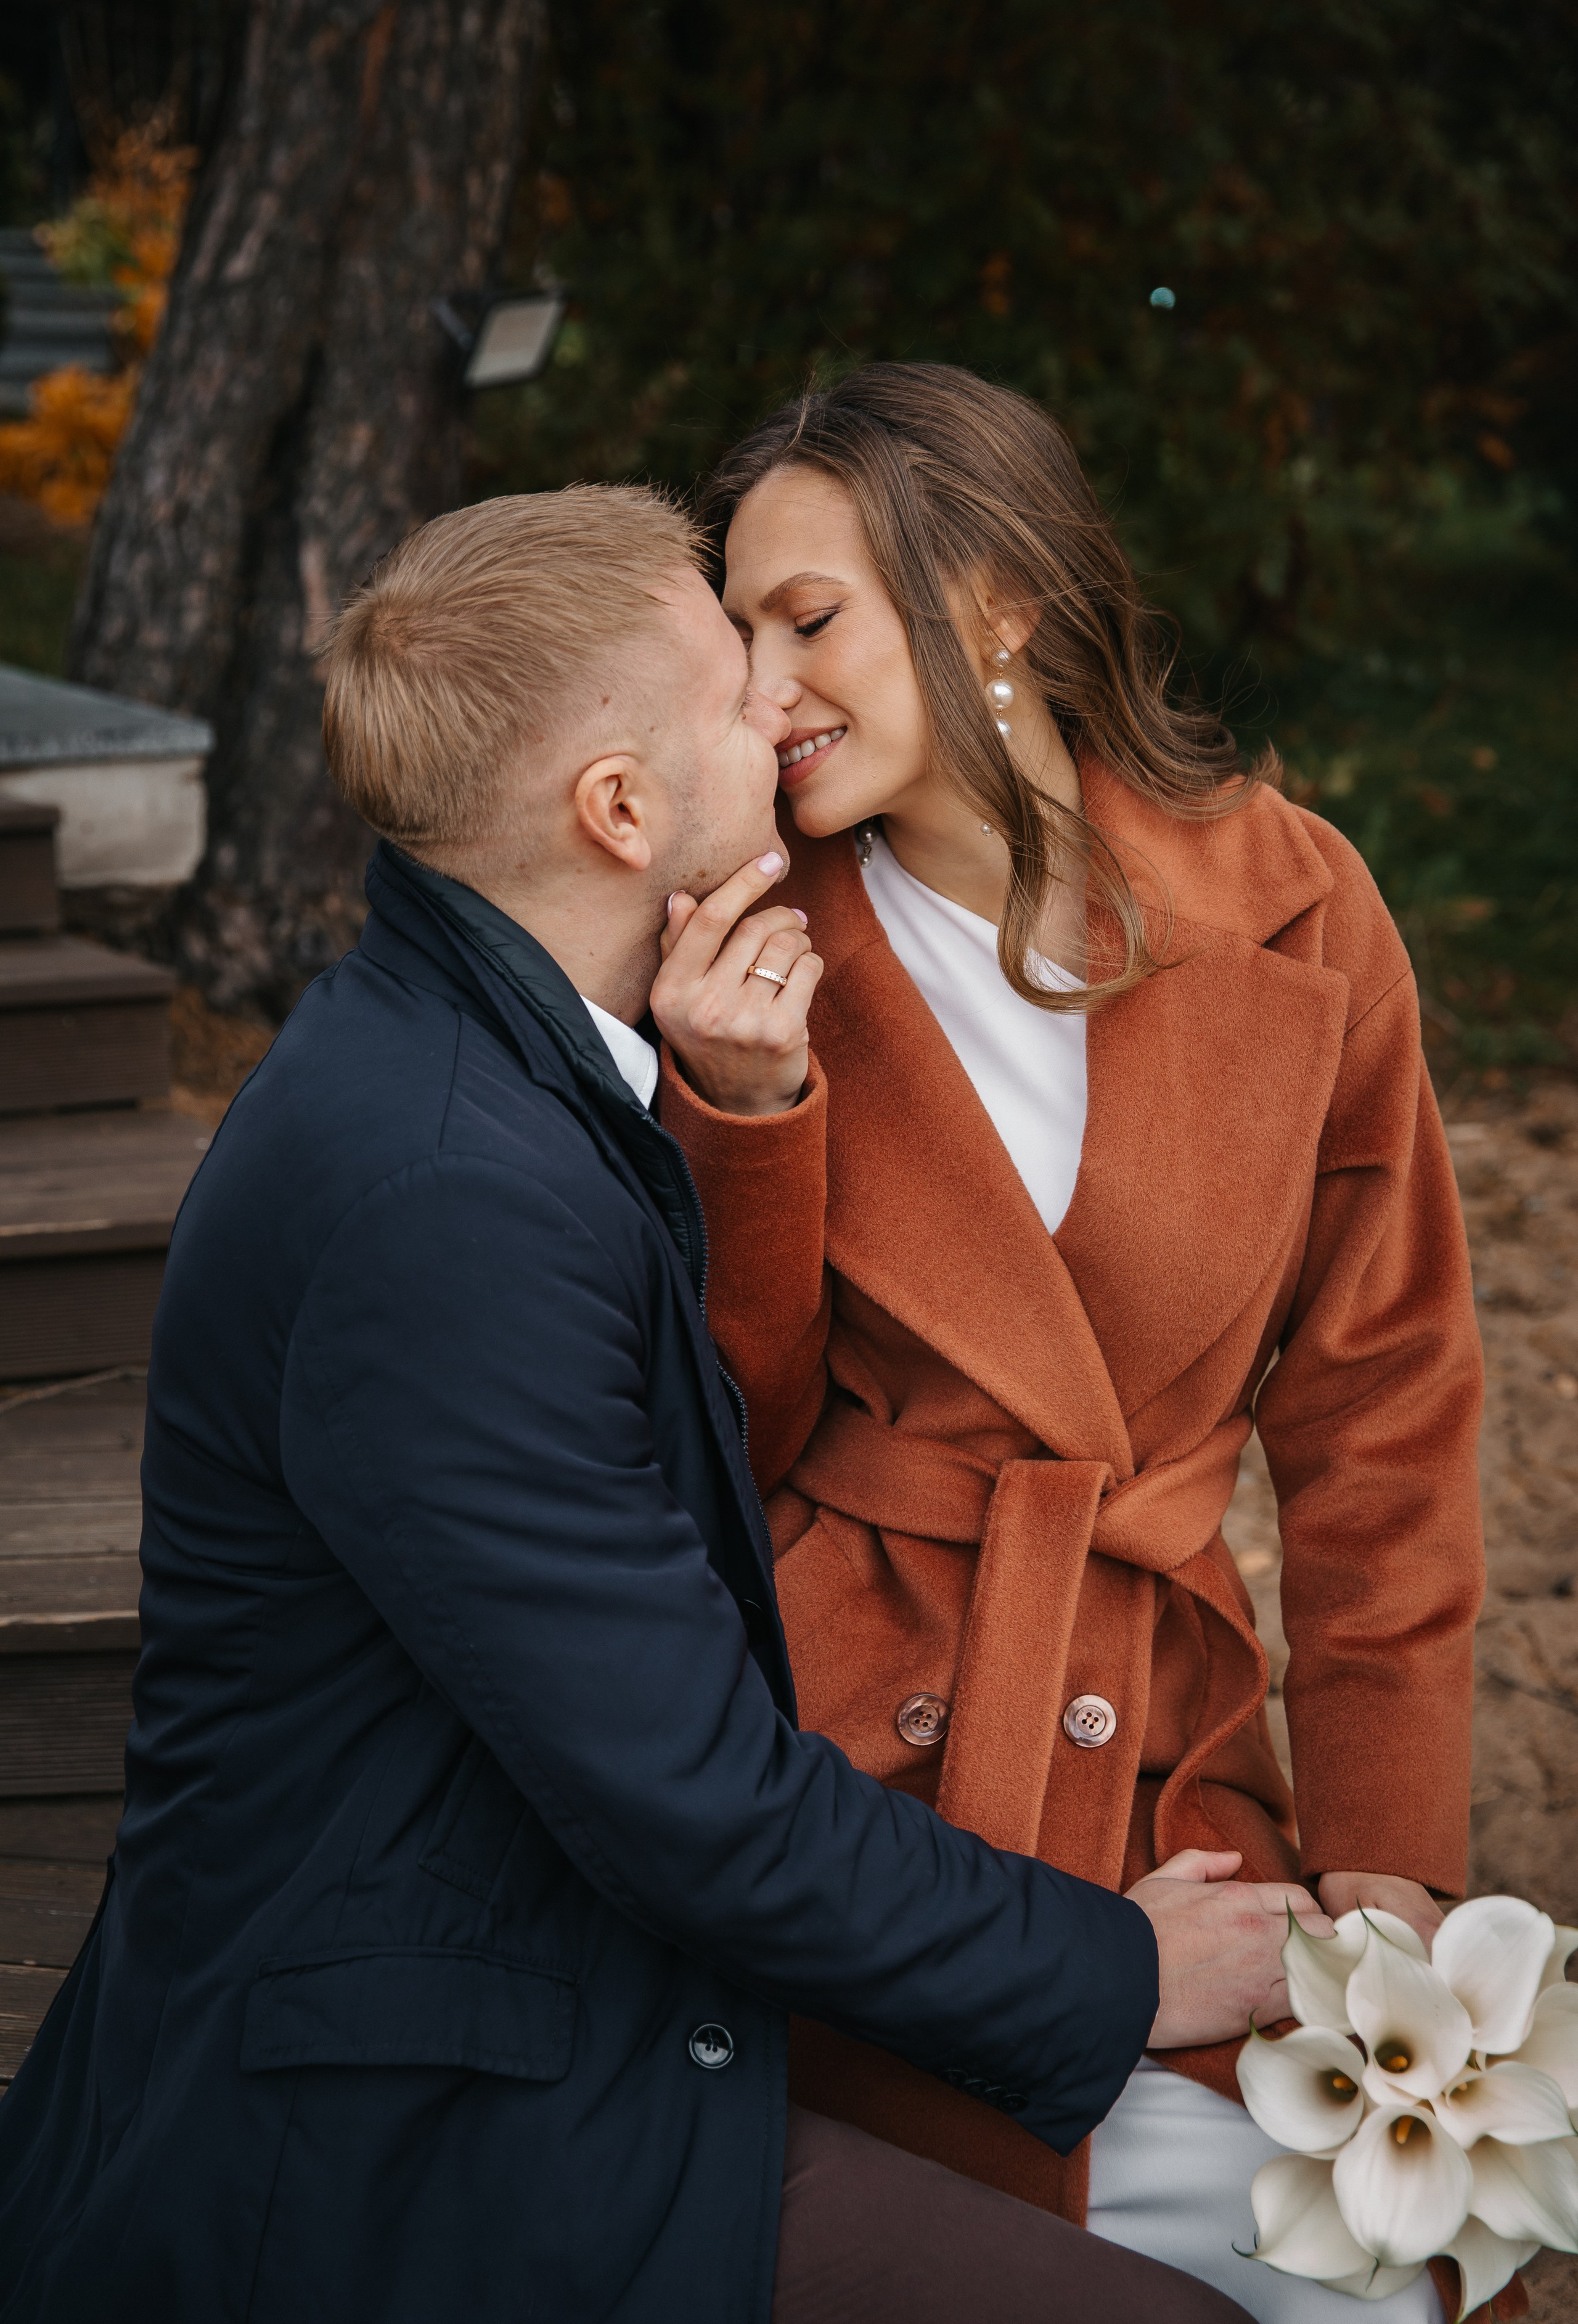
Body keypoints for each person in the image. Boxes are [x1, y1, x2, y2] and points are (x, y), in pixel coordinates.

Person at [0, 487, 1297, 2324]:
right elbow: (688, 1791)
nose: (782, 706)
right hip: (417, 2120)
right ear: (619, 812)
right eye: (726, 684)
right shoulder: (444, 1194)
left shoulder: (486, 1062)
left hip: (504, 1980)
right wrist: (1111, 1972)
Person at [652, 367, 1486, 2324]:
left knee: (1370, 2275)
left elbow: (1385, 1416)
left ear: (1001, 599)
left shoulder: (1301, 910)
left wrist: (1389, 1859)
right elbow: (719, 1433)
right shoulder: (745, 943)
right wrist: (742, 1123)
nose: (763, 692)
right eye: (739, 631)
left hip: (1172, 1731)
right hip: (860, 1763)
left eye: (812, 619)